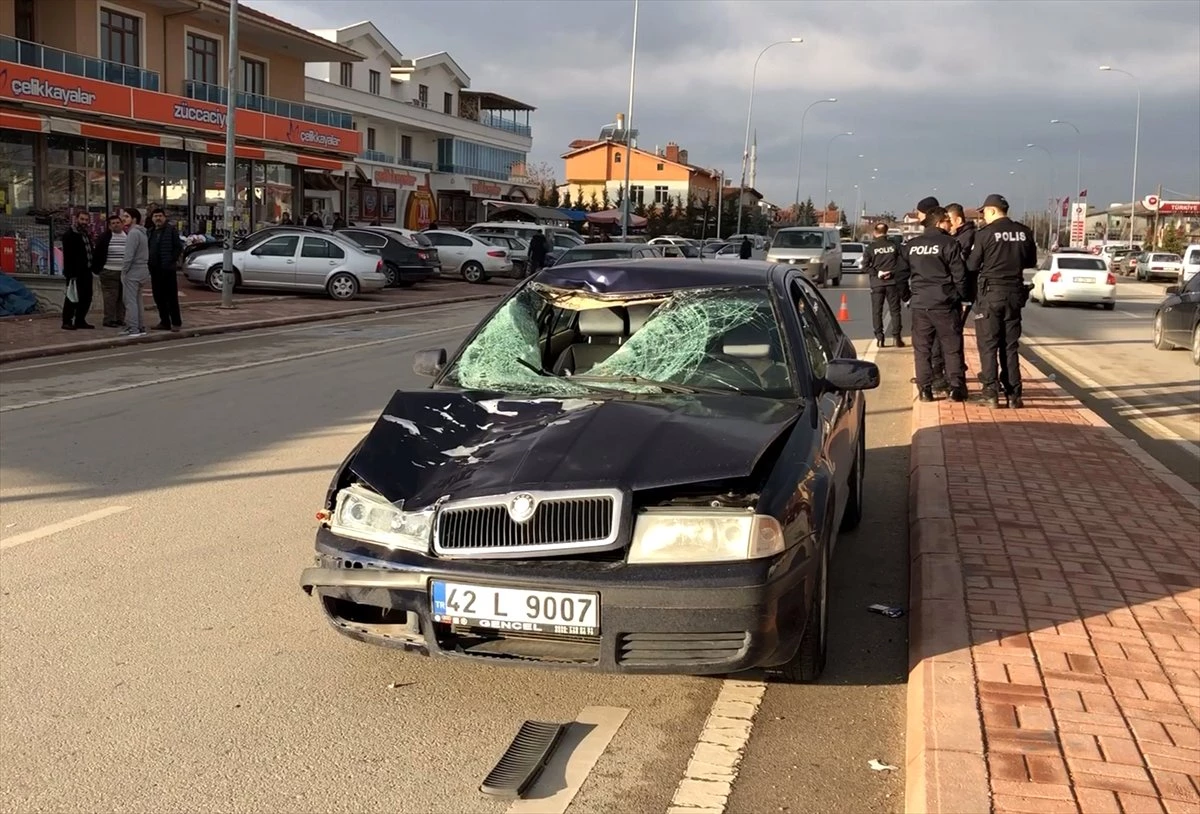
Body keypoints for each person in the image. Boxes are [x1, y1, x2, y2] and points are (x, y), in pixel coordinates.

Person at [967, 193, 1037, 409]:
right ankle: (1014, 395)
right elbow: (1031, 261)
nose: (983, 217)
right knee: (1010, 346)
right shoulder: (1024, 232)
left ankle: (990, 393)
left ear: (993, 211)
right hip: (1014, 293)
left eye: (985, 212)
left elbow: (972, 265)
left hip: (991, 294)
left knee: (988, 345)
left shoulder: (985, 234)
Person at [903, 205, 968, 402]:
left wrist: (908, 295)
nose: (950, 224)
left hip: (921, 303)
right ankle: (956, 388)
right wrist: (961, 296)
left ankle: (925, 391)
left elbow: (900, 273)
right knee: (951, 346)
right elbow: (960, 275)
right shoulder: (949, 244)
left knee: (922, 349)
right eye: (947, 220)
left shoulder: (912, 245)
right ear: (939, 222)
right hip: (944, 303)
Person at [862, 222, 908, 348]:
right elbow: (903, 263)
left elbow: (865, 267)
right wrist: (892, 272)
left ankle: (879, 338)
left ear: (875, 232)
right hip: (893, 282)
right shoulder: (894, 246)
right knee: (895, 311)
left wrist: (878, 273)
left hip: (877, 284)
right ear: (886, 232)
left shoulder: (871, 248)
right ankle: (897, 337)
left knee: (877, 311)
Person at [148, 207, 182, 332]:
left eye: (160, 216)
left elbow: (178, 247)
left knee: (171, 297)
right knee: (158, 297)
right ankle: (164, 321)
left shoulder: (171, 230)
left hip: (167, 269)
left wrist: (171, 260)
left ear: (164, 217)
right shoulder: (150, 232)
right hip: (155, 269)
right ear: (152, 219)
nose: (158, 218)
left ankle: (176, 322)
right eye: (155, 216)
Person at [60, 211, 96, 330]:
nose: (84, 222)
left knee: (86, 297)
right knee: (72, 297)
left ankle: (80, 320)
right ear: (76, 219)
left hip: (87, 271)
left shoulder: (85, 234)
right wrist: (71, 274)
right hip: (75, 273)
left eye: (86, 220)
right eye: (82, 219)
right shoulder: (70, 235)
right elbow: (69, 256)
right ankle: (67, 321)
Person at [119, 207, 151, 338]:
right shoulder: (142, 233)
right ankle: (139, 326)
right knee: (137, 300)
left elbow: (129, 255)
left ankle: (134, 328)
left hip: (133, 270)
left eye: (126, 216)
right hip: (142, 269)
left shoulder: (133, 233)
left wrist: (124, 271)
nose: (123, 219)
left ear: (134, 219)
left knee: (130, 301)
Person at [93, 214, 127, 327]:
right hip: (109, 271)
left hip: (124, 272)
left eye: (118, 223)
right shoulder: (105, 237)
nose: (116, 225)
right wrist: (99, 269)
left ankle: (120, 319)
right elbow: (97, 253)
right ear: (109, 226)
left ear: (122, 224)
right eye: (113, 223)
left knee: (122, 298)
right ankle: (109, 319)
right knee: (110, 298)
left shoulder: (127, 236)